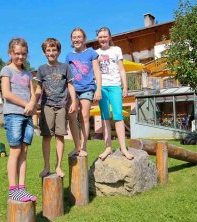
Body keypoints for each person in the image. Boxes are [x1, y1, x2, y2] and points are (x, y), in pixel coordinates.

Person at [0, 37, 37, 202]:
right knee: (15, 151)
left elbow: (33, 93)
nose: (20, 57)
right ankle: (13, 189)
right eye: (17, 54)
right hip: (13, 114)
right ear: (10, 53)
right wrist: (26, 104)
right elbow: (6, 93)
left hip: (27, 116)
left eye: (23, 54)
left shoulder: (28, 73)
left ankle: (22, 188)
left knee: (24, 151)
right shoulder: (6, 70)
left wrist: (32, 105)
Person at [34, 38, 77, 178]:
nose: (51, 53)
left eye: (54, 50)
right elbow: (38, 88)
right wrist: (34, 101)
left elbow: (70, 85)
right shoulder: (41, 69)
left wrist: (74, 101)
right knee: (46, 137)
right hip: (46, 106)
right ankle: (46, 166)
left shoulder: (65, 67)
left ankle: (58, 166)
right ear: (44, 52)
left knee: (60, 136)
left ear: (58, 51)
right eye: (48, 50)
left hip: (61, 106)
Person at [95, 27, 134, 160]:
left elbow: (122, 69)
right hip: (102, 87)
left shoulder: (116, 50)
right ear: (97, 39)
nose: (103, 39)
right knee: (105, 117)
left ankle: (123, 148)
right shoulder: (95, 53)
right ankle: (108, 148)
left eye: (105, 36)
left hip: (115, 86)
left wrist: (125, 86)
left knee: (118, 116)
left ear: (110, 37)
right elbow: (94, 71)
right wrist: (97, 89)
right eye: (100, 37)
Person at [65, 28, 102, 157]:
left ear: (84, 38)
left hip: (87, 88)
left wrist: (98, 89)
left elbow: (97, 71)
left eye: (79, 37)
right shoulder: (69, 56)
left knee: (84, 116)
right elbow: (67, 75)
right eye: (74, 37)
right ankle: (76, 146)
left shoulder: (91, 53)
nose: (77, 39)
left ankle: (84, 146)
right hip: (73, 90)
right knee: (71, 116)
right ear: (71, 39)